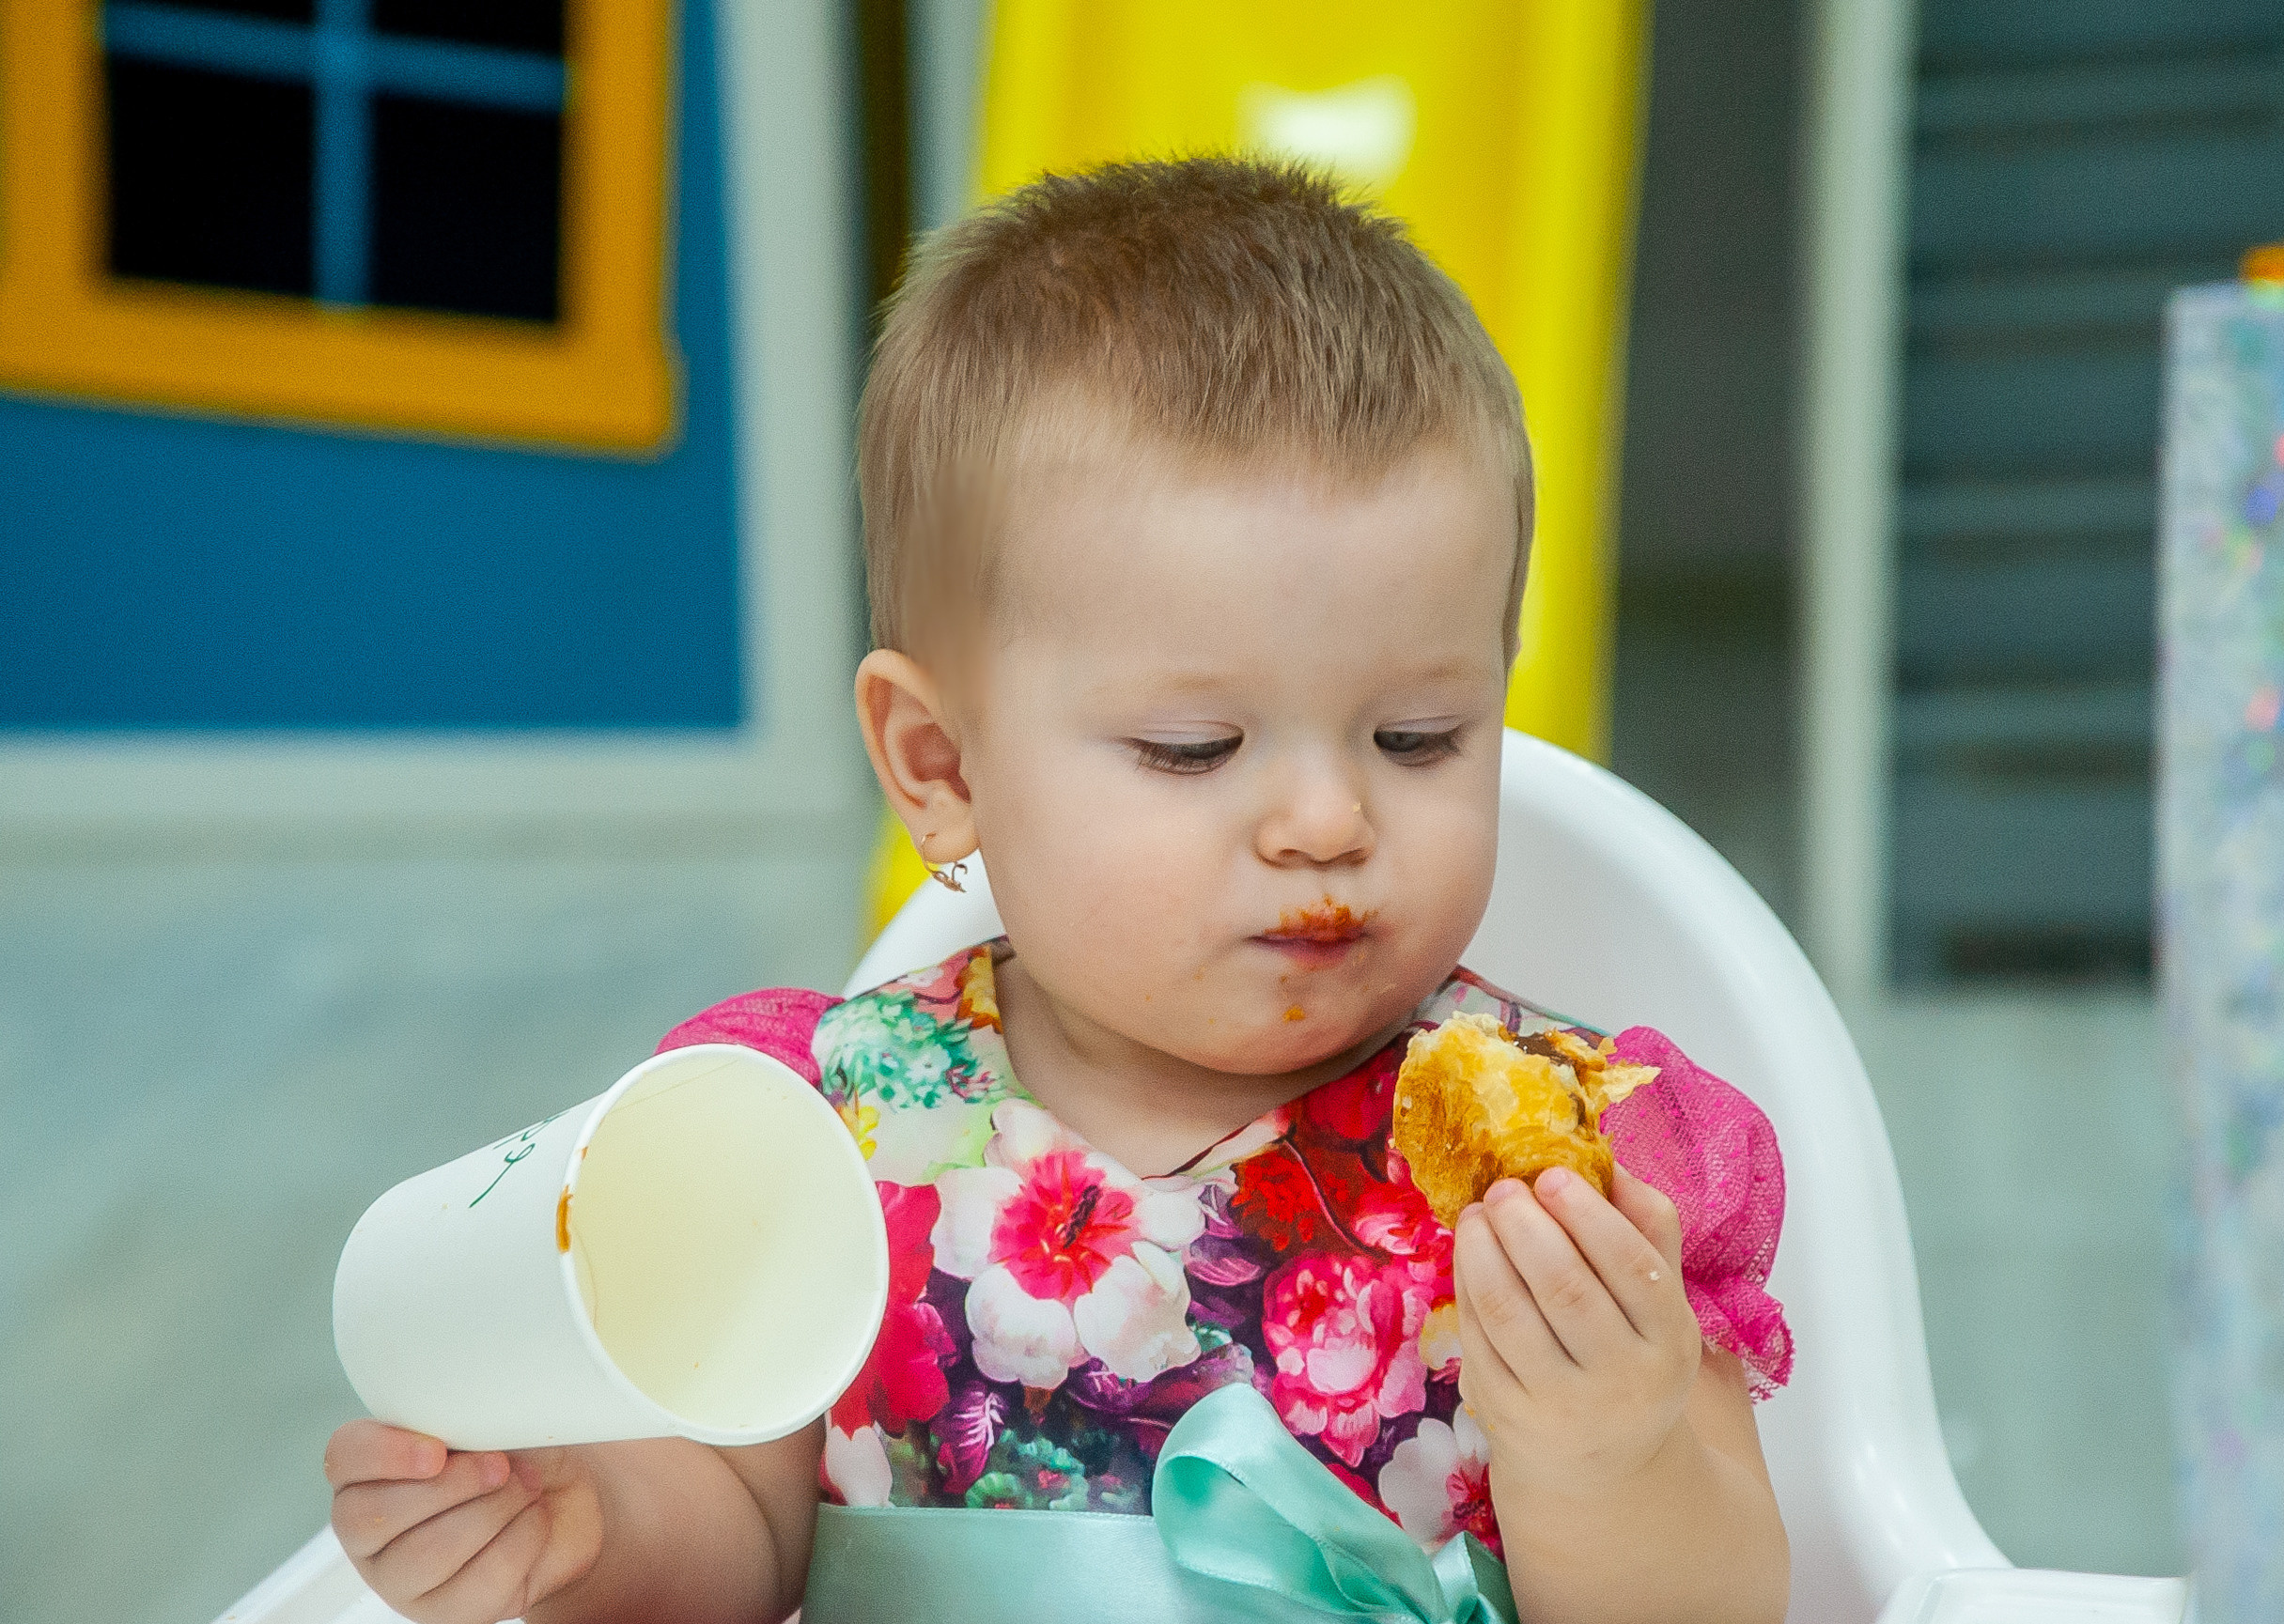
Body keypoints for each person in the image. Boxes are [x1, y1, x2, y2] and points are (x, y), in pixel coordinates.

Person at [323, 155, 1794, 1624]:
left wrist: (1615, 1452)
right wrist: (581, 1531)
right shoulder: (817, 1139)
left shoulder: (1581, 1170)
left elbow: (1729, 1607)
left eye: (1420, 737)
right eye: (1193, 747)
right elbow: (732, 1547)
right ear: (939, 760)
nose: (1330, 820)